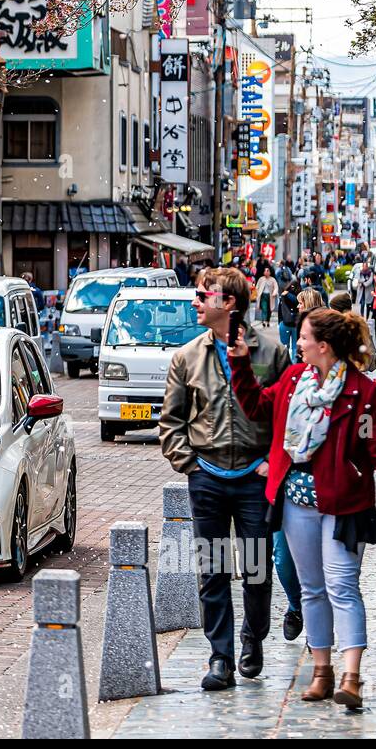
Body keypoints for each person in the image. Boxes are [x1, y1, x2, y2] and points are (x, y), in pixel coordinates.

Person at [229, 307, 376, 709]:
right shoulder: (294, 381)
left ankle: (351, 677)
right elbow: (256, 408)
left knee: (342, 586)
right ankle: (322, 672)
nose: (298, 343)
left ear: (324, 346)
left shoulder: (364, 395)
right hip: (296, 504)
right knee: (313, 590)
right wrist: (241, 362)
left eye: (304, 337)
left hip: (346, 505)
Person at [159, 267, 294, 691]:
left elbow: (288, 416)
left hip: (255, 479)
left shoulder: (271, 353)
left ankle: (254, 637)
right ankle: (221, 657)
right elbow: (170, 421)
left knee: (257, 570)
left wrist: (272, 463)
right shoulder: (186, 357)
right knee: (213, 570)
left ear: (228, 303)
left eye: (204, 295)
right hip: (209, 479)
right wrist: (191, 465)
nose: (196, 302)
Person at [328, 291, 376, 372]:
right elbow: (373, 361)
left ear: (338, 310)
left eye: (332, 309)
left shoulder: (340, 330)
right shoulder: (361, 325)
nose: (331, 312)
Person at [277, 280, 301, 363]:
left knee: (285, 345)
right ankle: (294, 363)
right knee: (295, 345)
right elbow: (297, 301)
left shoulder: (283, 296)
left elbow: (280, 310)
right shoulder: (300, 295)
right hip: (296, 324)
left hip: (285, 322)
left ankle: (285, 363)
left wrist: (279, 322)